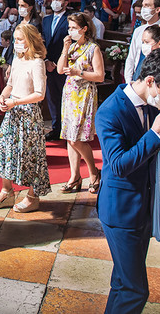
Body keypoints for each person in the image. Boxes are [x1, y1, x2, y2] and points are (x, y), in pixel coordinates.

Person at [95, 50, 160, 313]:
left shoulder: (151, 103)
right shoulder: (110, 111)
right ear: (149, 81)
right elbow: (120, 165)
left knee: (124, 281)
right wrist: (155, 134)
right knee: (136, 290)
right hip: (120, 209)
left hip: (143, 205)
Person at [0, 23, 51, 213]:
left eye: (19, 40)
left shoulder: (37, 62)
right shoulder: (17, 59)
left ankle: (32, 196)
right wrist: (2, 96)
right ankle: (7, 191)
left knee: (30, 155)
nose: (16, 43)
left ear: (30, 40)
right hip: (13, 112)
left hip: (29, 114)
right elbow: (11, 84)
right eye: (15, 40)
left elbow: (40, 94)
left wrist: (16, 102)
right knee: (5, 149)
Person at [58, 13, 105, 194]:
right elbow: (61, 69)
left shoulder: (93, 48)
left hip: (84, 94)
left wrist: (79, 72)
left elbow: (100, 76)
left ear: (84, 28)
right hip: (69, 93)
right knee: (70, 136)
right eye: (68, 27)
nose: (70, 31)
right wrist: (65, 48)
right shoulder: (72, 47)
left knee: (76, 137)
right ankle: (75, 176)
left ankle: (93, 173)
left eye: (73, 28)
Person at [41, 0, 71, 141]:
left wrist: (58, 62)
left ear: (66, 2)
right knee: (52, 98)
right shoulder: (46, 20)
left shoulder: (69, 20)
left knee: (65, 98)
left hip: (64, 65)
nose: (55, 2)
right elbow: (43, 42)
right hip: (48, 65)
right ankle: (55, 128)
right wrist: (46, 60)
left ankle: (67, 129)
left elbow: (70, 44)